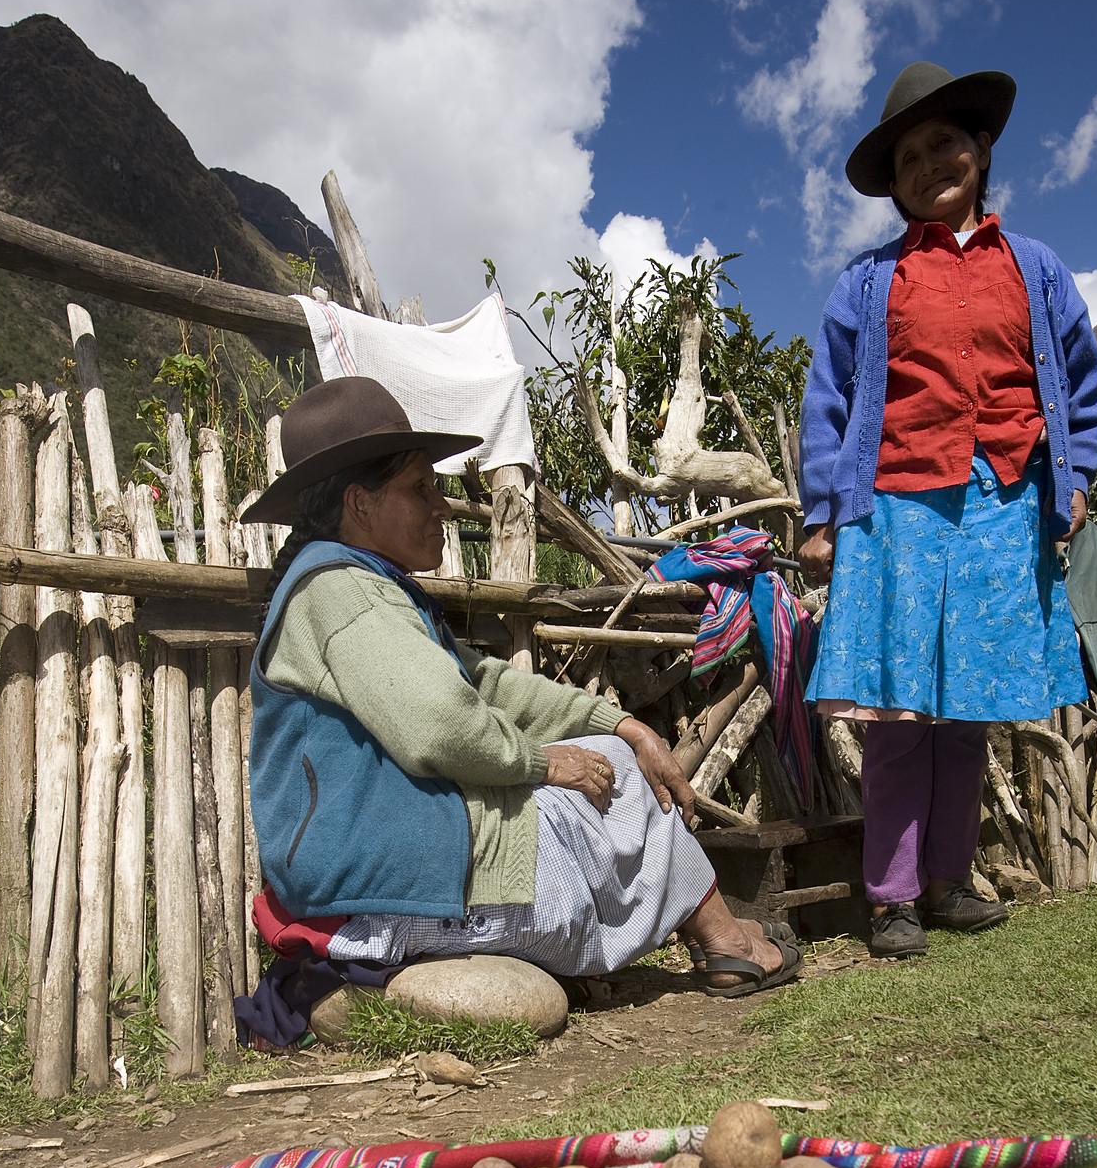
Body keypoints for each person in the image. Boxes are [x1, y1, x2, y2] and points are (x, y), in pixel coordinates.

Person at [241, 377, 801, 996]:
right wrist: (541, 763)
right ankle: (723, 940)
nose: (443, 507)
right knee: (610, 780)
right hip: (380, 891)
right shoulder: (341, 592)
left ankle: (708, 938)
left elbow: (485, 685)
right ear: (360, 504)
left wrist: (618, 722)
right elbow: (442, 723)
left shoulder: (360, 585)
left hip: (391, 867)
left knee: (615, 755)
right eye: (420, 488)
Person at [798, 61, 1097, 958]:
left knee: (965, 709)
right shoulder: (868, 283)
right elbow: (829, 401)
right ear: (893, 188)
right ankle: (891, 897)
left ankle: (947, 882)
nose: (929, 163)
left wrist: (1074, 473)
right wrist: (823, 514)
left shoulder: (1036, 270)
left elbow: (1078, 382)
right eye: (908, 158)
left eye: (945, 143)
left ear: (979, 151)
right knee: (900, 711)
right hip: (896, 502)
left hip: (1003, 500)